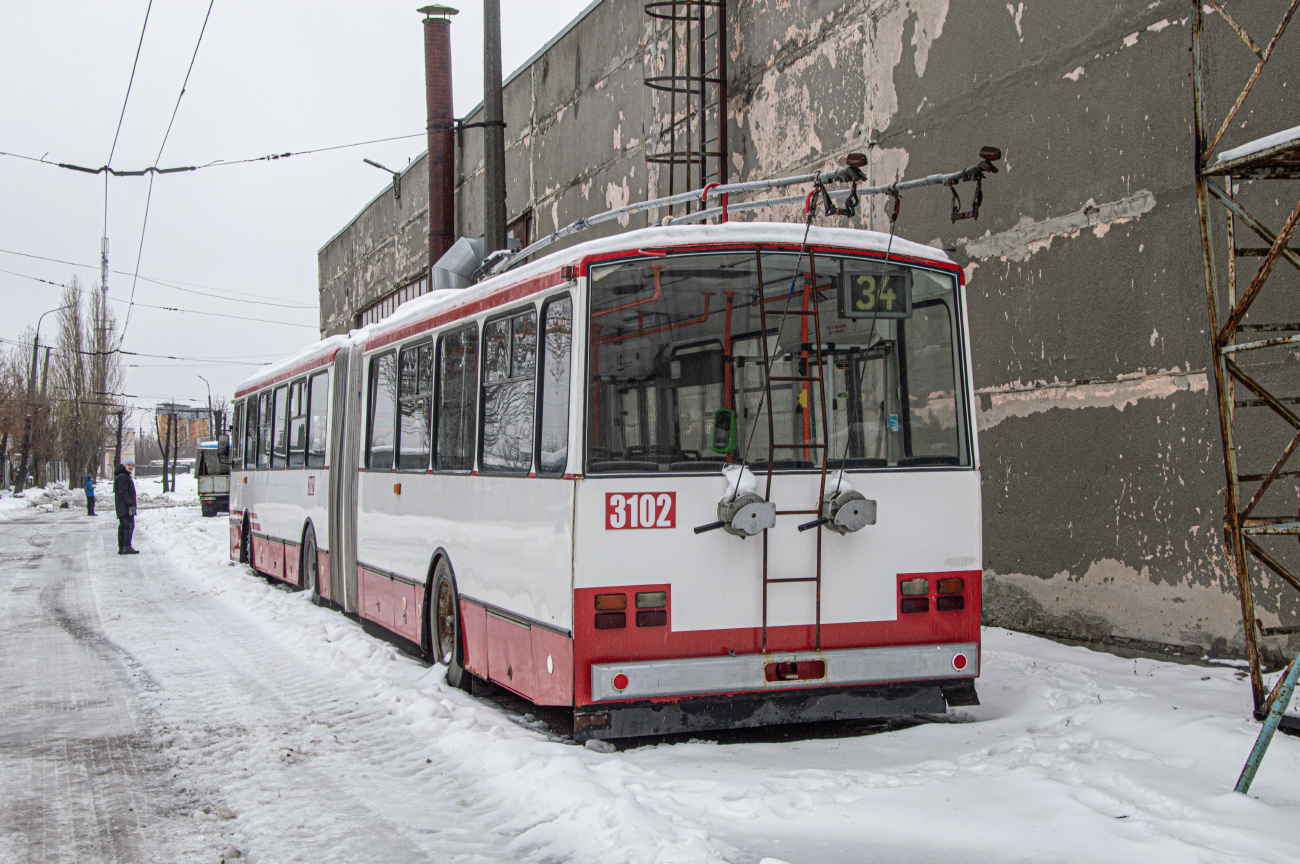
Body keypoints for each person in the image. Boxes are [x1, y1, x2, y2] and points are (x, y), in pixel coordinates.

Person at [114, 456, 139, 555]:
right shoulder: (123, 477)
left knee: (124, 526)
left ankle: (122, 547)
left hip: (124, 506)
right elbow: (124, 492)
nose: (131, 467)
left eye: (132, 465)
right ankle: (126, 546)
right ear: (124, 466)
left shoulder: (123, 476)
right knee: (128, 525)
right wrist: (130, 504)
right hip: (125, 506)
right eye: (129, 465)